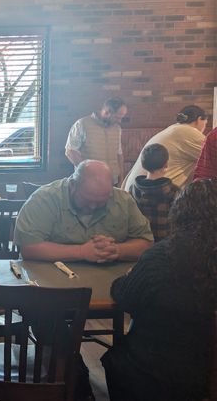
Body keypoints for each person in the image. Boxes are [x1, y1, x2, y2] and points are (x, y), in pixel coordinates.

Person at [101, 179, 217, 400]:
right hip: (204, 373)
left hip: (156, 375)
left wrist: (125, 278)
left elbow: (126, 299)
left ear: (180, 213)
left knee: (118, 355)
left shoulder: (163, 256)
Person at [14, 160, 154, 262]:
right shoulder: (44, 199)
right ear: (73, 185)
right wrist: (81, 252)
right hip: (50, 283)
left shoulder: (123, 200)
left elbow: (147, 243)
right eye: (88, 200)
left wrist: (116, 250)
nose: (93, 207)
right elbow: (29, 248)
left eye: (100, 202)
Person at [122, 105, 207, 191]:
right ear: (199, 120)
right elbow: (213, 156)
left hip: (136, 190)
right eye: (205, 124)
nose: (204, 128)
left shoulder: (174, 129)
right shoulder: (188, 132)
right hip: (154, 195)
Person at [65, 98, 127, 185]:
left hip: (112, 182)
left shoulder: (117, 129)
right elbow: (70, 151)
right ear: (107, 112)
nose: (119, 121)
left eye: (121, 118)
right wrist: (88, 173)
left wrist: (121, 178)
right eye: (117, 117)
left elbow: (119, 154)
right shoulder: (82, 124)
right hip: (88, 182)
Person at [129, 144, 179, 241]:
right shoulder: (173, 191)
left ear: (143, 164)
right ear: (166, 164)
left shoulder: (133, 189)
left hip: (139, 242)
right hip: (164, 245)